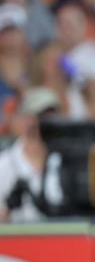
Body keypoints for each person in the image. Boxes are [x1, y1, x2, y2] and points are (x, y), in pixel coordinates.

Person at [0, 87, 62, 222]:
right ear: (25, 119)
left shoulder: (63, 160)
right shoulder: (5, 163)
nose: (47, 122)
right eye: (40, 116)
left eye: (51, 115)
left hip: (60, 238)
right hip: (19, 239)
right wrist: (8, 208)